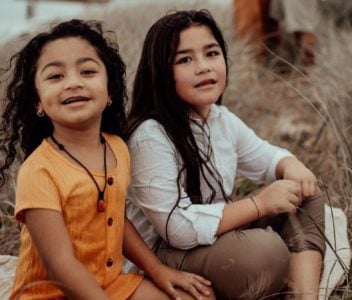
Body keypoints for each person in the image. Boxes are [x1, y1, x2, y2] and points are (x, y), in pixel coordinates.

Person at [0, 19, 214, 300]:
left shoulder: (116, 148)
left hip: (110, 285)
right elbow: (59, 265)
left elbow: (116, 220)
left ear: (110, 91)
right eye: (55, 77)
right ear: (37, 102)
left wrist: (159, 271)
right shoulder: (39, 171)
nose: (73, 83)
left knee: (198, 297)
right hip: (50, 293)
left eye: (87, 71)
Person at [126, 10, 325, 300]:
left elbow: (267, 157)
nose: (203, 67)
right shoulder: (150, 136)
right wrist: (259, 204)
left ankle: (305, 296)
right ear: (160, 73)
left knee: (308, 191)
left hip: (213, 237)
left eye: (211, 53)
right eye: (185, 59)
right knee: (265, 255)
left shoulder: (219, 118)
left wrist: (290, 165)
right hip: (164, 254)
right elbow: (176, 228)